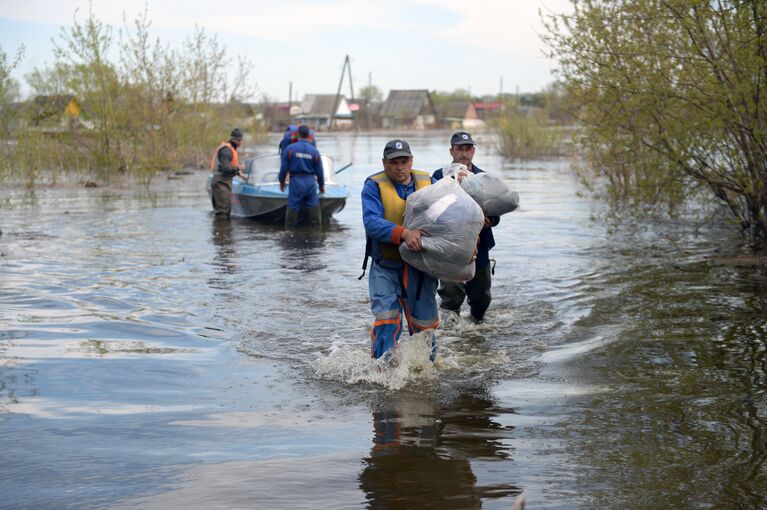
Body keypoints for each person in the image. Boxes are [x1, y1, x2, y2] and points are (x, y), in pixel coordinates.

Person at [361, 139, 439, 364]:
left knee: (425, 328)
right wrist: (404, 233)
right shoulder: (373, 186)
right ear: (384, 163)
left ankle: (427, 371)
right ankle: (381, 371)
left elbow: (448, 215)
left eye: (404, 161)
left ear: (411, 161)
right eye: (394, 162)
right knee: (387, 321)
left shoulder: (429, 182)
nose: (399, 167)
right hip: (386, 266)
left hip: (421, 268)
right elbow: (371, 222)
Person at [432, 131, 500, 323]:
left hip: (480, 246)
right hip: (449, 245)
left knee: (482, 297)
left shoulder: (483, 177)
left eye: (467, 148)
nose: (464, 153)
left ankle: (476, 328)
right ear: (451, 151)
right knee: (450, 294)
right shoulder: (440, 176)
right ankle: (453, 337)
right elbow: (429, 207)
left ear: (473, 150)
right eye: (459, 149)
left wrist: (491, 220)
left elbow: (496, 212)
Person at [279, 124, 325, 227]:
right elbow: (320, 171)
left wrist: (282, 181)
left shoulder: (290, 149)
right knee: (314, 212)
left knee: (292, 210)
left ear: (298, 135)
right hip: (310, 182)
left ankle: (289, 235)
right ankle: (317, 236)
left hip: (296, 181)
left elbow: (283, 168)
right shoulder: (315, 151)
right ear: (309, 135)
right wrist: (321, 185)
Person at [210, 128, 246, 217]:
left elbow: (229, 167)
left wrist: (240, 174)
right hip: (220, 183)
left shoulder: (230, 149)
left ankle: (221, 229)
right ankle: (221, 230)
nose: (241, 143)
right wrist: (238, 168)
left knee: (224, 210)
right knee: (223, 213)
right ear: (238, 140)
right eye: (241, 140)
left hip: (223, 183)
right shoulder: (226, 150)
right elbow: (225, 168)